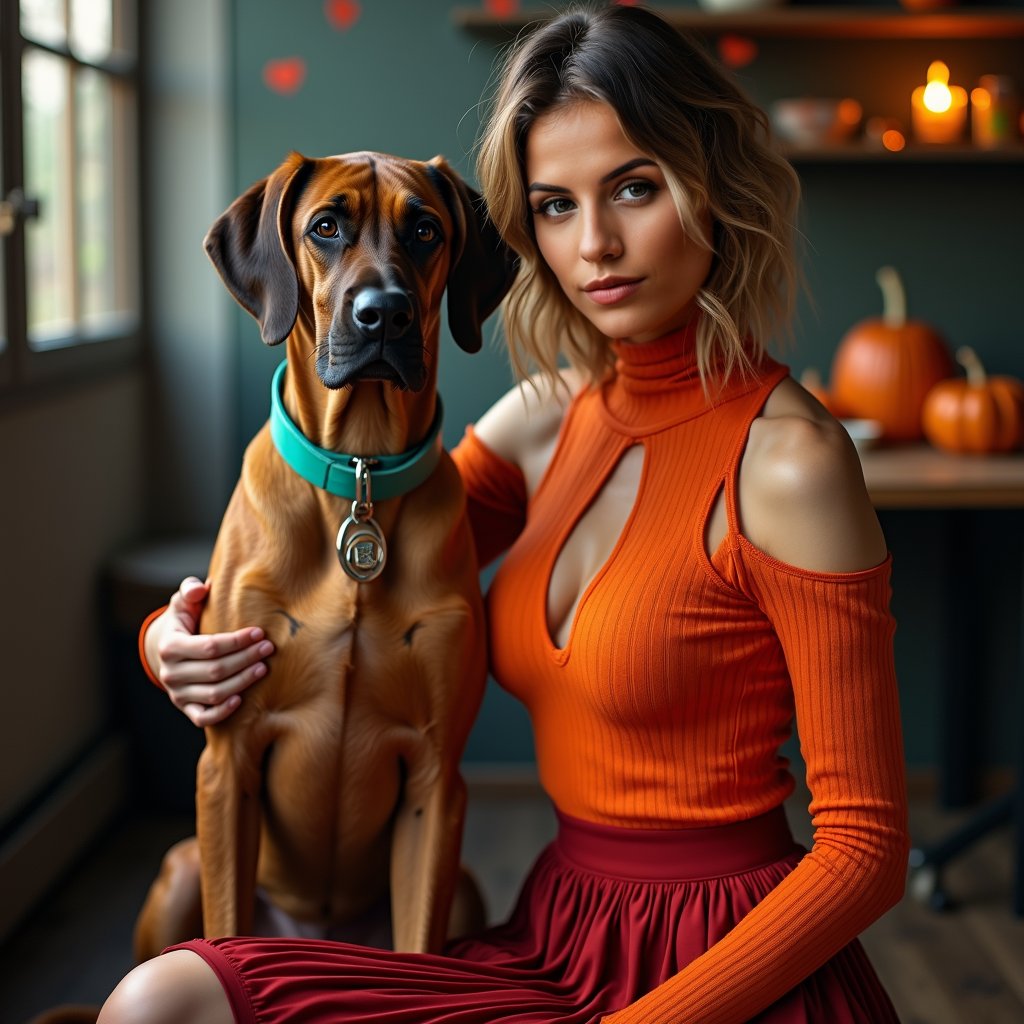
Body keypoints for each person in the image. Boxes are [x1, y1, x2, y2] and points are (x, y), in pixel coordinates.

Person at [99, 4, 909, 1022]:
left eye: (634, 187)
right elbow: (345, 579)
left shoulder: (792, 461)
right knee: (159, 999)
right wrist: (167, 642)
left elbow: (868, 852)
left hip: (732, 959)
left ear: (712, 189)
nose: (597, 243)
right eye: (556, 206)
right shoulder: (541, 421)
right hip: (557, 932)